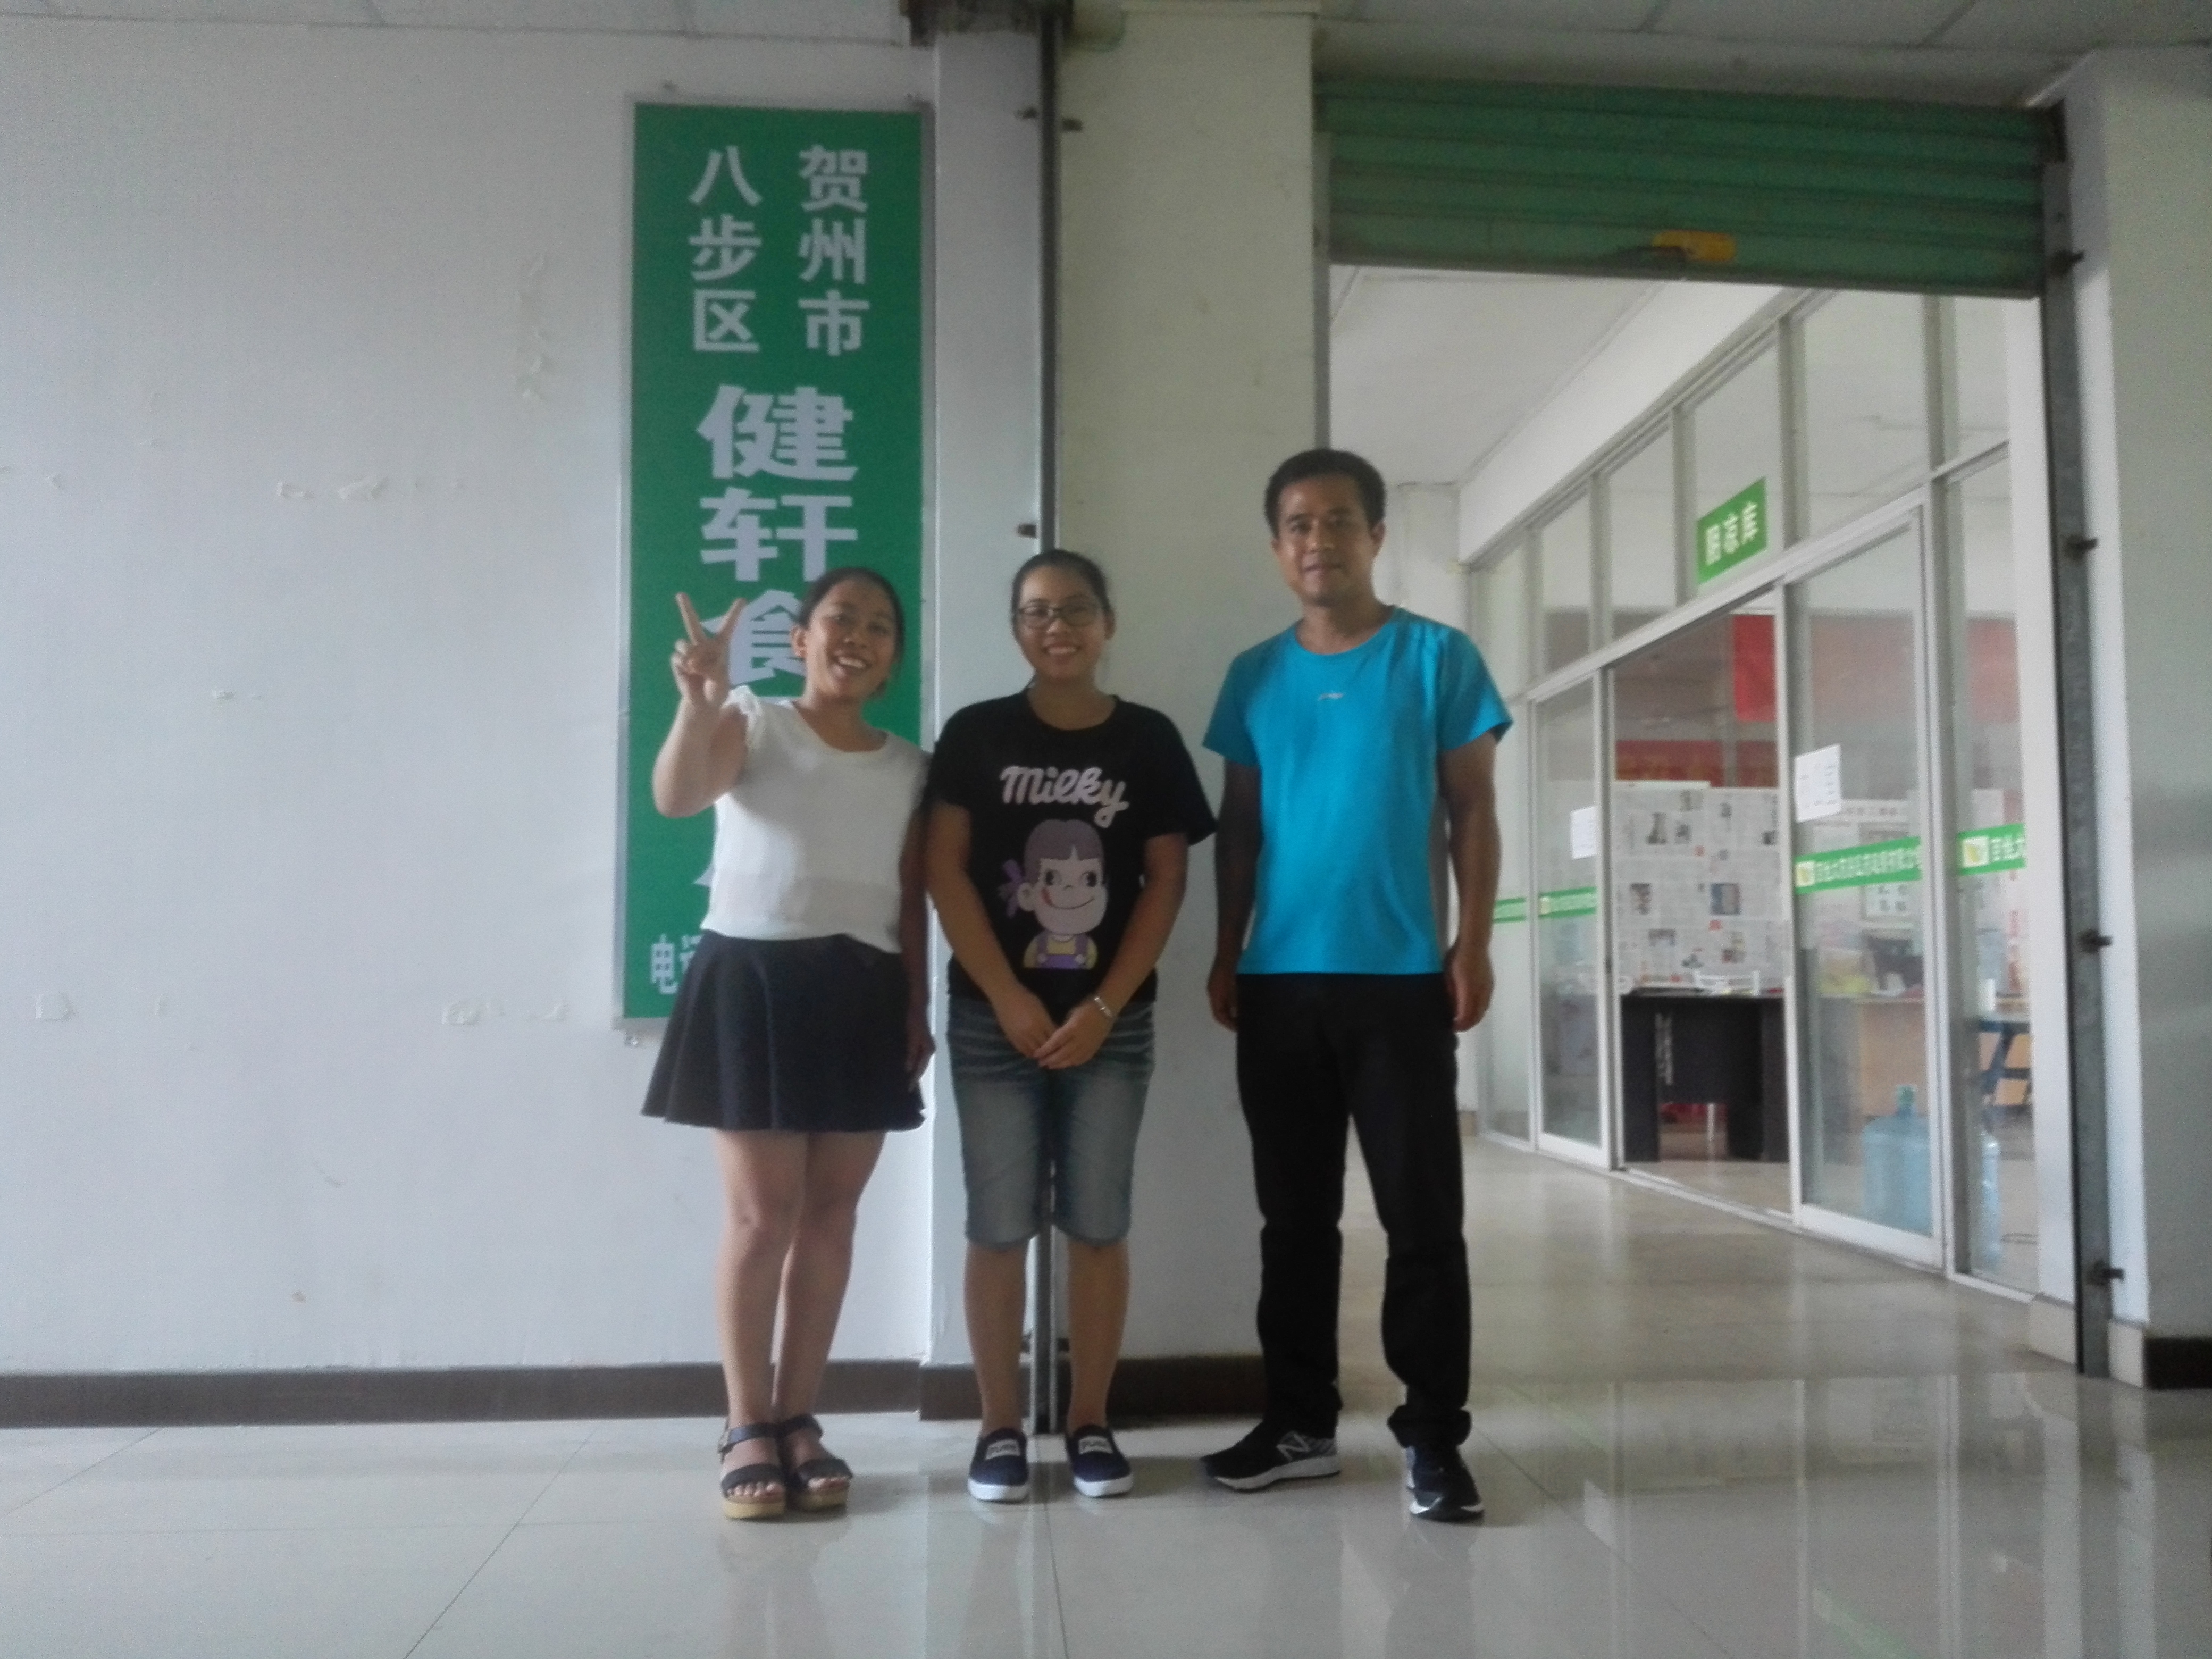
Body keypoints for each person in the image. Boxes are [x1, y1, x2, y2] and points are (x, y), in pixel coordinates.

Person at [1200, 449, 1509, 1523]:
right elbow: (1240, 827)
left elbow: (1472, 810)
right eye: (1297, 524)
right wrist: (1226, 948)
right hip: (1279, 982)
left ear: (1375, 536)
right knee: (1294, 1222)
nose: (1317, 541)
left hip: (1400, 979)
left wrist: (1473, 944)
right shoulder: (1253, 675)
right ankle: (1298, 1425)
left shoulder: (1436, 658)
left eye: (1337, 521)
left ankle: (1433, 1438)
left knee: (1422, 1220)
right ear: (1277, 546)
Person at [641, 567, 932, 1522]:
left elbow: (912, 896)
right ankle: (745, 1426)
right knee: (762, 1218)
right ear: (802, 639)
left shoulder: (911, 766)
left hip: (863, 988)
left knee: (832, 1217)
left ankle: (799, 1418)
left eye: (880, 627)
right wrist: (699, 704)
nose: (859, 635)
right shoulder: (754, 720)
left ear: (892, 661)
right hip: (754, 980)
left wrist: (916, 1004)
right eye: (841, 618)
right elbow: (679, 797)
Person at [926, 550, 1216, 1503]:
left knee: (1098, 1223)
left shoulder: (1148, 738)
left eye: (1077, 609)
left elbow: (1166, 879)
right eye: (1037, 612)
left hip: (1111, 1025)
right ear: (1016, 627)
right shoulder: (976, 733)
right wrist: (1007, 995)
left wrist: (1102, 1004)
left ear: (1108, 623)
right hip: (991, 1023)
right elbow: (944, 870)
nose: (1058, 627)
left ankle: (1091, 1421)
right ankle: (999, 1428)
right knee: (998, 1225)